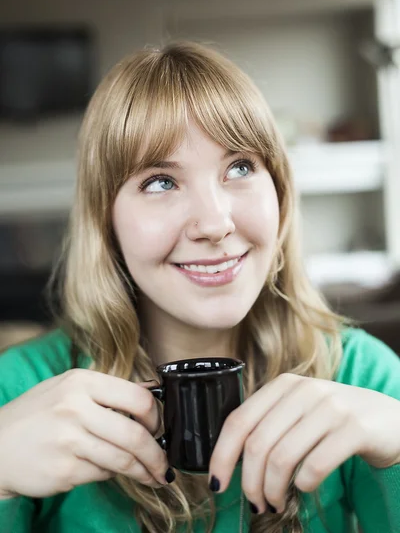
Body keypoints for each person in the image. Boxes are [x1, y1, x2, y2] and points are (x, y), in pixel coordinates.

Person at [0, 41, 399, 533]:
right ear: (106, 223)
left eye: (240, 167)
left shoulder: (363, 375)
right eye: (160, 182)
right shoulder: (16, 391)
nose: (214, 223)